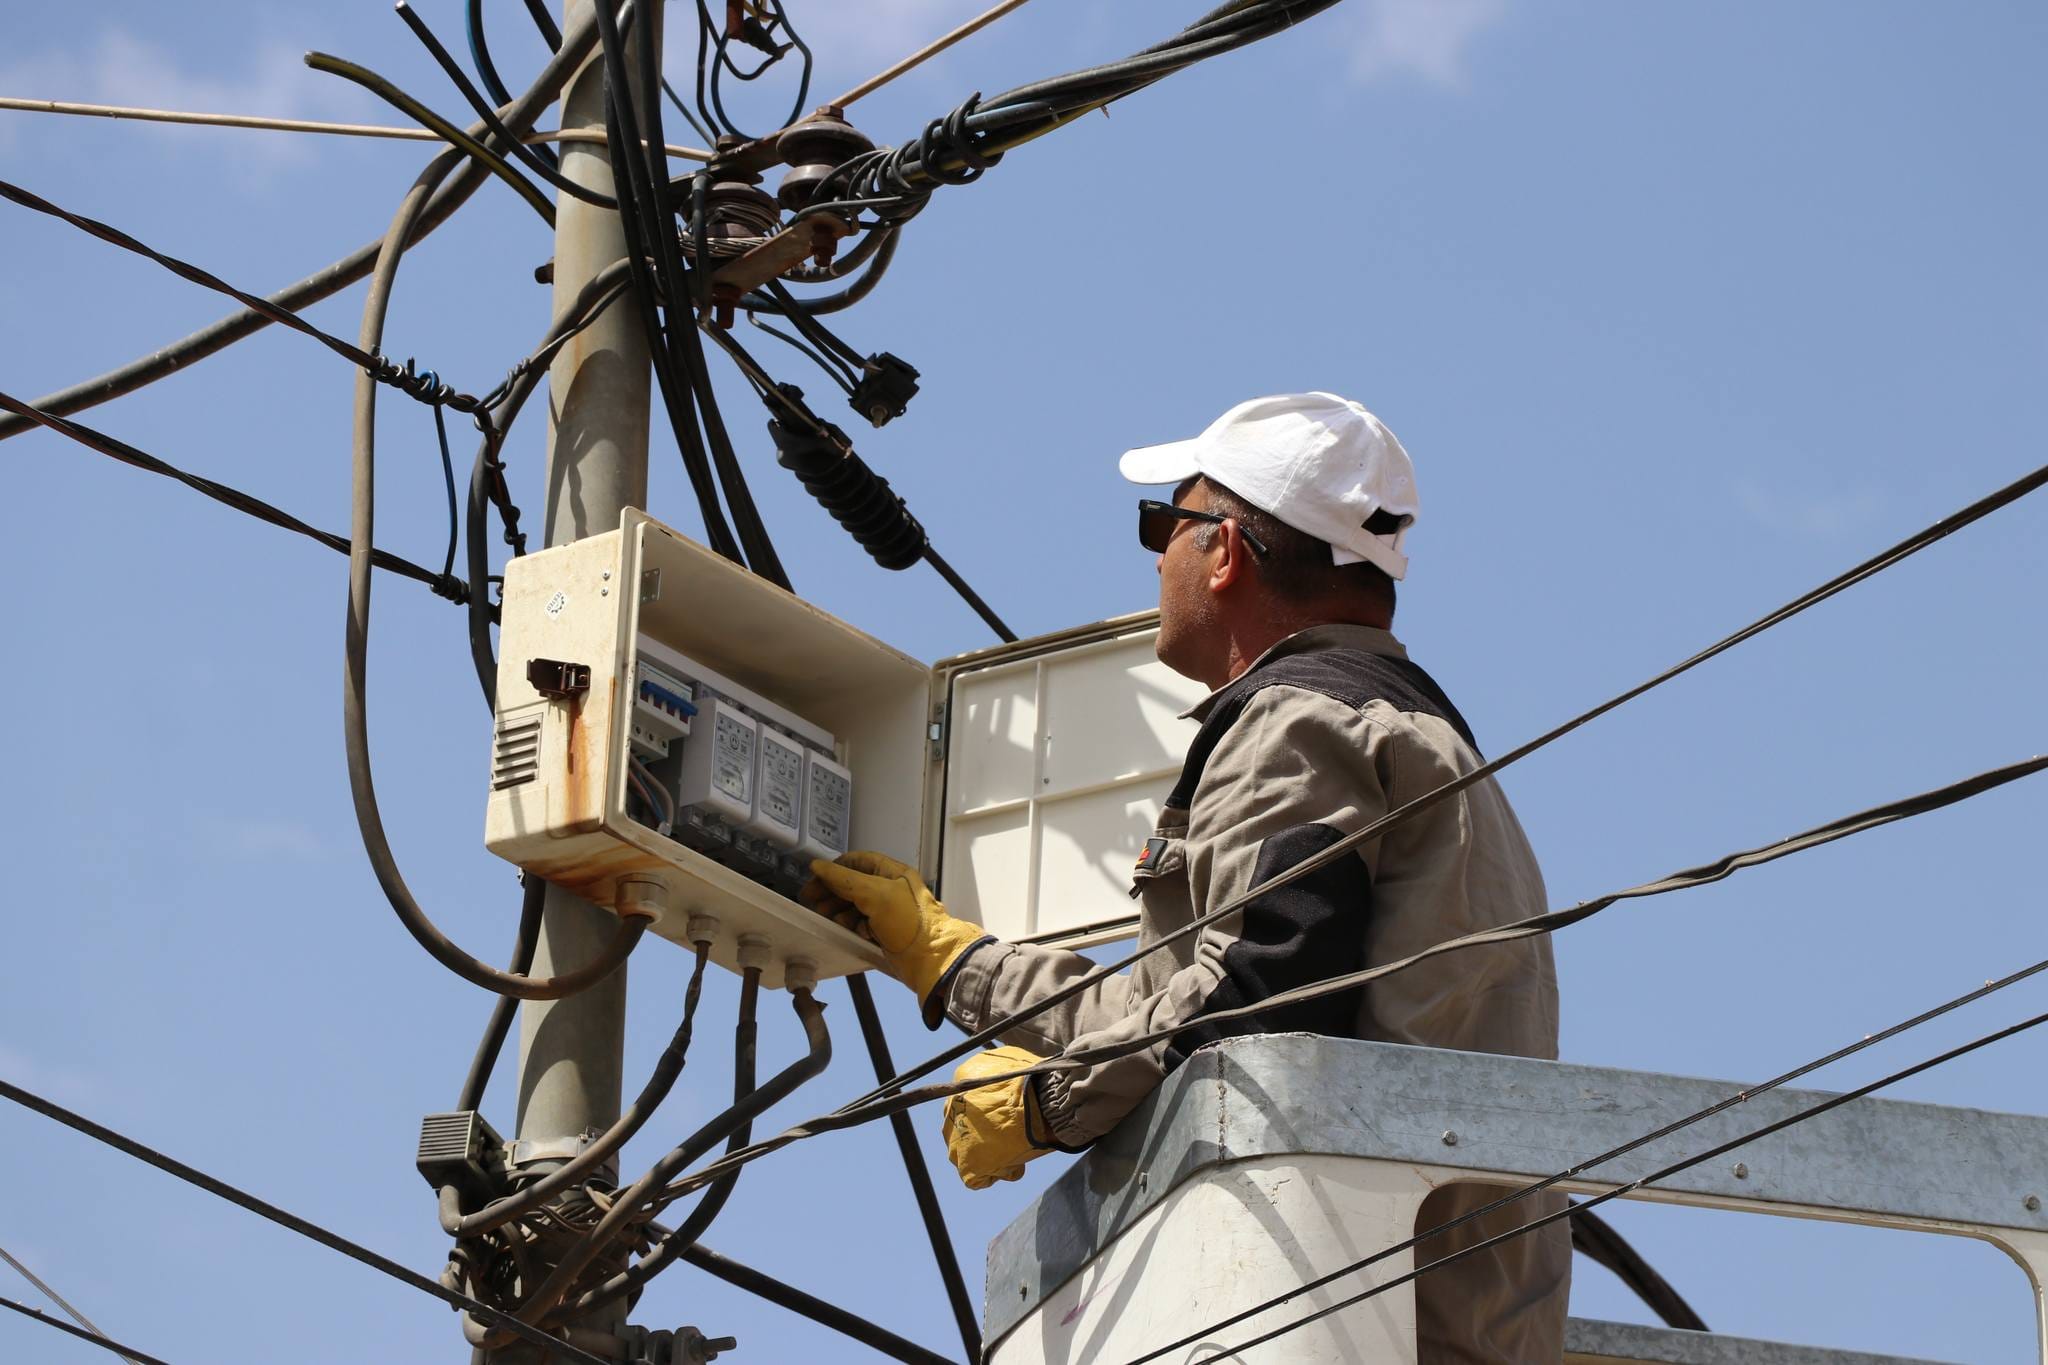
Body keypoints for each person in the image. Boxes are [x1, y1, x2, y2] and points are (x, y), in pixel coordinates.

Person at [804, 392, 1570, 1360]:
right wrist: (955, 963)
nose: (1154, 554)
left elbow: (1263, 997)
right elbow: (1213, 989)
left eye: (1161, 523)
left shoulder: (1298, 722)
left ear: (1224, 550)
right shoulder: (1398, 728)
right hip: (1416, 1309)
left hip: (1339, 1313)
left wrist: (1051, 1103)